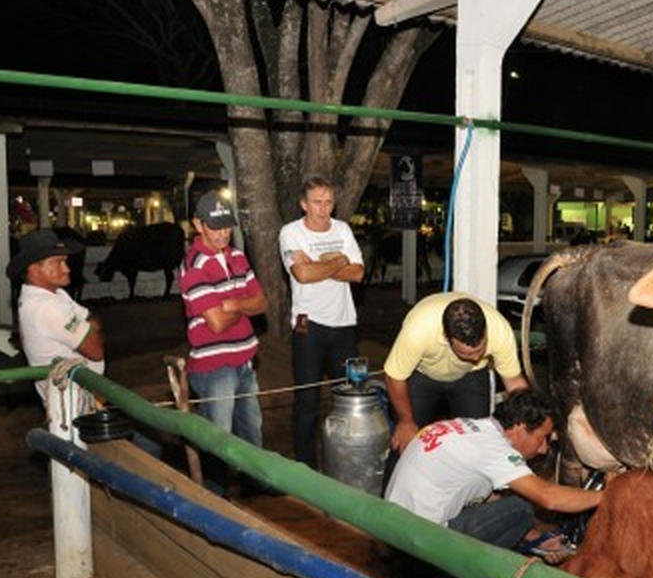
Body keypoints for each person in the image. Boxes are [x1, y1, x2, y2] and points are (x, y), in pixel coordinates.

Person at [384, 388, 601, 561]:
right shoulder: (494, 450)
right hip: (419, 546)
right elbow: (550, 498)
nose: (543, 449)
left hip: (391, 528)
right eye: (541, 438)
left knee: (508, 501)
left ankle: (523, 545)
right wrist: (606, 496)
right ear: (520, 428)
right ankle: (472, 576)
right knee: (520, 508)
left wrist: (535, 540)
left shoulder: (469, 426)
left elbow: (485, 498)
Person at [180, 190, 270, 495]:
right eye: (215, 226)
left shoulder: (237, 256)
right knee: (218, 440)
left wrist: (230, 304)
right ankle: (214, 500)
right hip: (214, 366)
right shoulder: (194, 265)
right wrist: (239, 302)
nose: (222, 233)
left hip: (244, 360)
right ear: (198, 224)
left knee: (251, 434)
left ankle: (254, 496)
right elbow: (216, 322)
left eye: (226, 226)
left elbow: (262, 302)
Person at [278, 176, 365, 469]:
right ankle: (305, 469)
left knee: (352, 395)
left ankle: (350, 461)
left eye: (328, 202)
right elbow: (302, 275)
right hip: (307, 325)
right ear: (303, 204)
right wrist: (339, 259)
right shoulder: (290, 232)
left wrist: (317, 264)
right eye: (316, 202)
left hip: (344, 325)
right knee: (307, 402)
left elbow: (358, 274)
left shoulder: (342, 229)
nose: (323, 209)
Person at [383, 293, 529, 458]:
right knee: (404, 441)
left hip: (471, 374)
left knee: (478, 442)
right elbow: (394, 377)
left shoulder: (499, 329)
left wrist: (529, 419)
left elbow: (514, 381)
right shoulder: (418, 330)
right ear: (446, 337)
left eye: (480, 350)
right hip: (423, 374)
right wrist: (406, 421)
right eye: (466, 353)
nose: (475, 358)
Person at [8, 229, 104, 412]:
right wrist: (90, 326)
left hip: (77, 398)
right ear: (34, 269)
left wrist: (89, 326)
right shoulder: (46, 307)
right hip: (72, 404)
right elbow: (96, 350)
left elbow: (91, 322)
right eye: (58, 262)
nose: (67, 268)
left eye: (65, 261)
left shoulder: (54, 295)